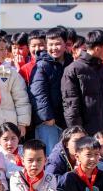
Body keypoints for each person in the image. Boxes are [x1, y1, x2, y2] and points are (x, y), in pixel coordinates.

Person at [62, 30, 103, 137]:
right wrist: (77, 131)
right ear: (97, 49)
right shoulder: (74, 69)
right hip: (85, 133)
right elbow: (71, 104)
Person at [30, 27, 73, 155]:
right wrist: (47, 116)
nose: (54, 48)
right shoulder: (42, 65)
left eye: (58, 44)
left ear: (65, 44)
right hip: (48, 122)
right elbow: (38, 93)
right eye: (50, 44)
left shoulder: (71, 63)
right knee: (51, 154)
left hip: (66, 119)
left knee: (66, 155)